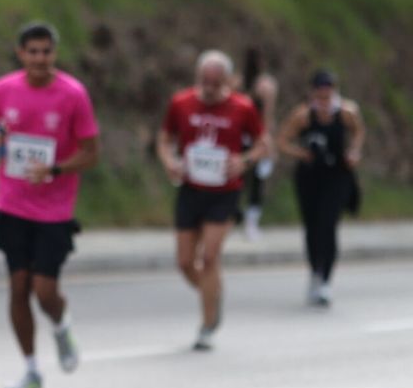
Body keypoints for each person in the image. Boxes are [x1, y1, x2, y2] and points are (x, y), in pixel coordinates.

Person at [0, 22, 99, 388]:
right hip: (12, 202)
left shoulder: (73, 94)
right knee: (17, 288)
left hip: (54, 208)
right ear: (21, 54)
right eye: (33, 52)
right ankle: (31, 370)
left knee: (44, 290)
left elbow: (91, 152)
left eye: (46, 52)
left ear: (55, 54)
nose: (40, 59)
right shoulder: (2, 90)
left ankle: (61, 326)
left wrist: (55, 169)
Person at [156, 50, 269, 351]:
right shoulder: (181, 102)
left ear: (228, 81)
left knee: (209, 257)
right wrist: (170, 161)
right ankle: (212, 295)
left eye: (216, 82)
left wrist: (243, 161)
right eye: (204, 81)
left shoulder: (242, 108)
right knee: (184, 261)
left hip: (224, 191)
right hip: (191, 188)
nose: (209, 87)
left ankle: (207, 324)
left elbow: (262, 144)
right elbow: (165, 138)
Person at [275, 69, 365, 306]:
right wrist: (301, 153)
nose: (324, 98)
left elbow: (358, 133)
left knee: (329, 225)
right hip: (310, 177)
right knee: (312, 227)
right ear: (313, 91)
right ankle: (315, 272)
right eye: (320, 92)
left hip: (336, 176)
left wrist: (354, 152)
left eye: (328, 92)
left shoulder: (346, 112)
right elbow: (282, 140)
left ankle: (325, 279)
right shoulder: (303, 115)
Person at [239, 48, 279, 241]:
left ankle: (248, 221)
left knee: (253, 180)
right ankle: (244, 219)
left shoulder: (258, 85)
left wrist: (267, 144)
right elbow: (268, 118)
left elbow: (267, 117)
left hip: (251, 137)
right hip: (244, 136)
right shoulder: (243, 83)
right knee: (249, 181)